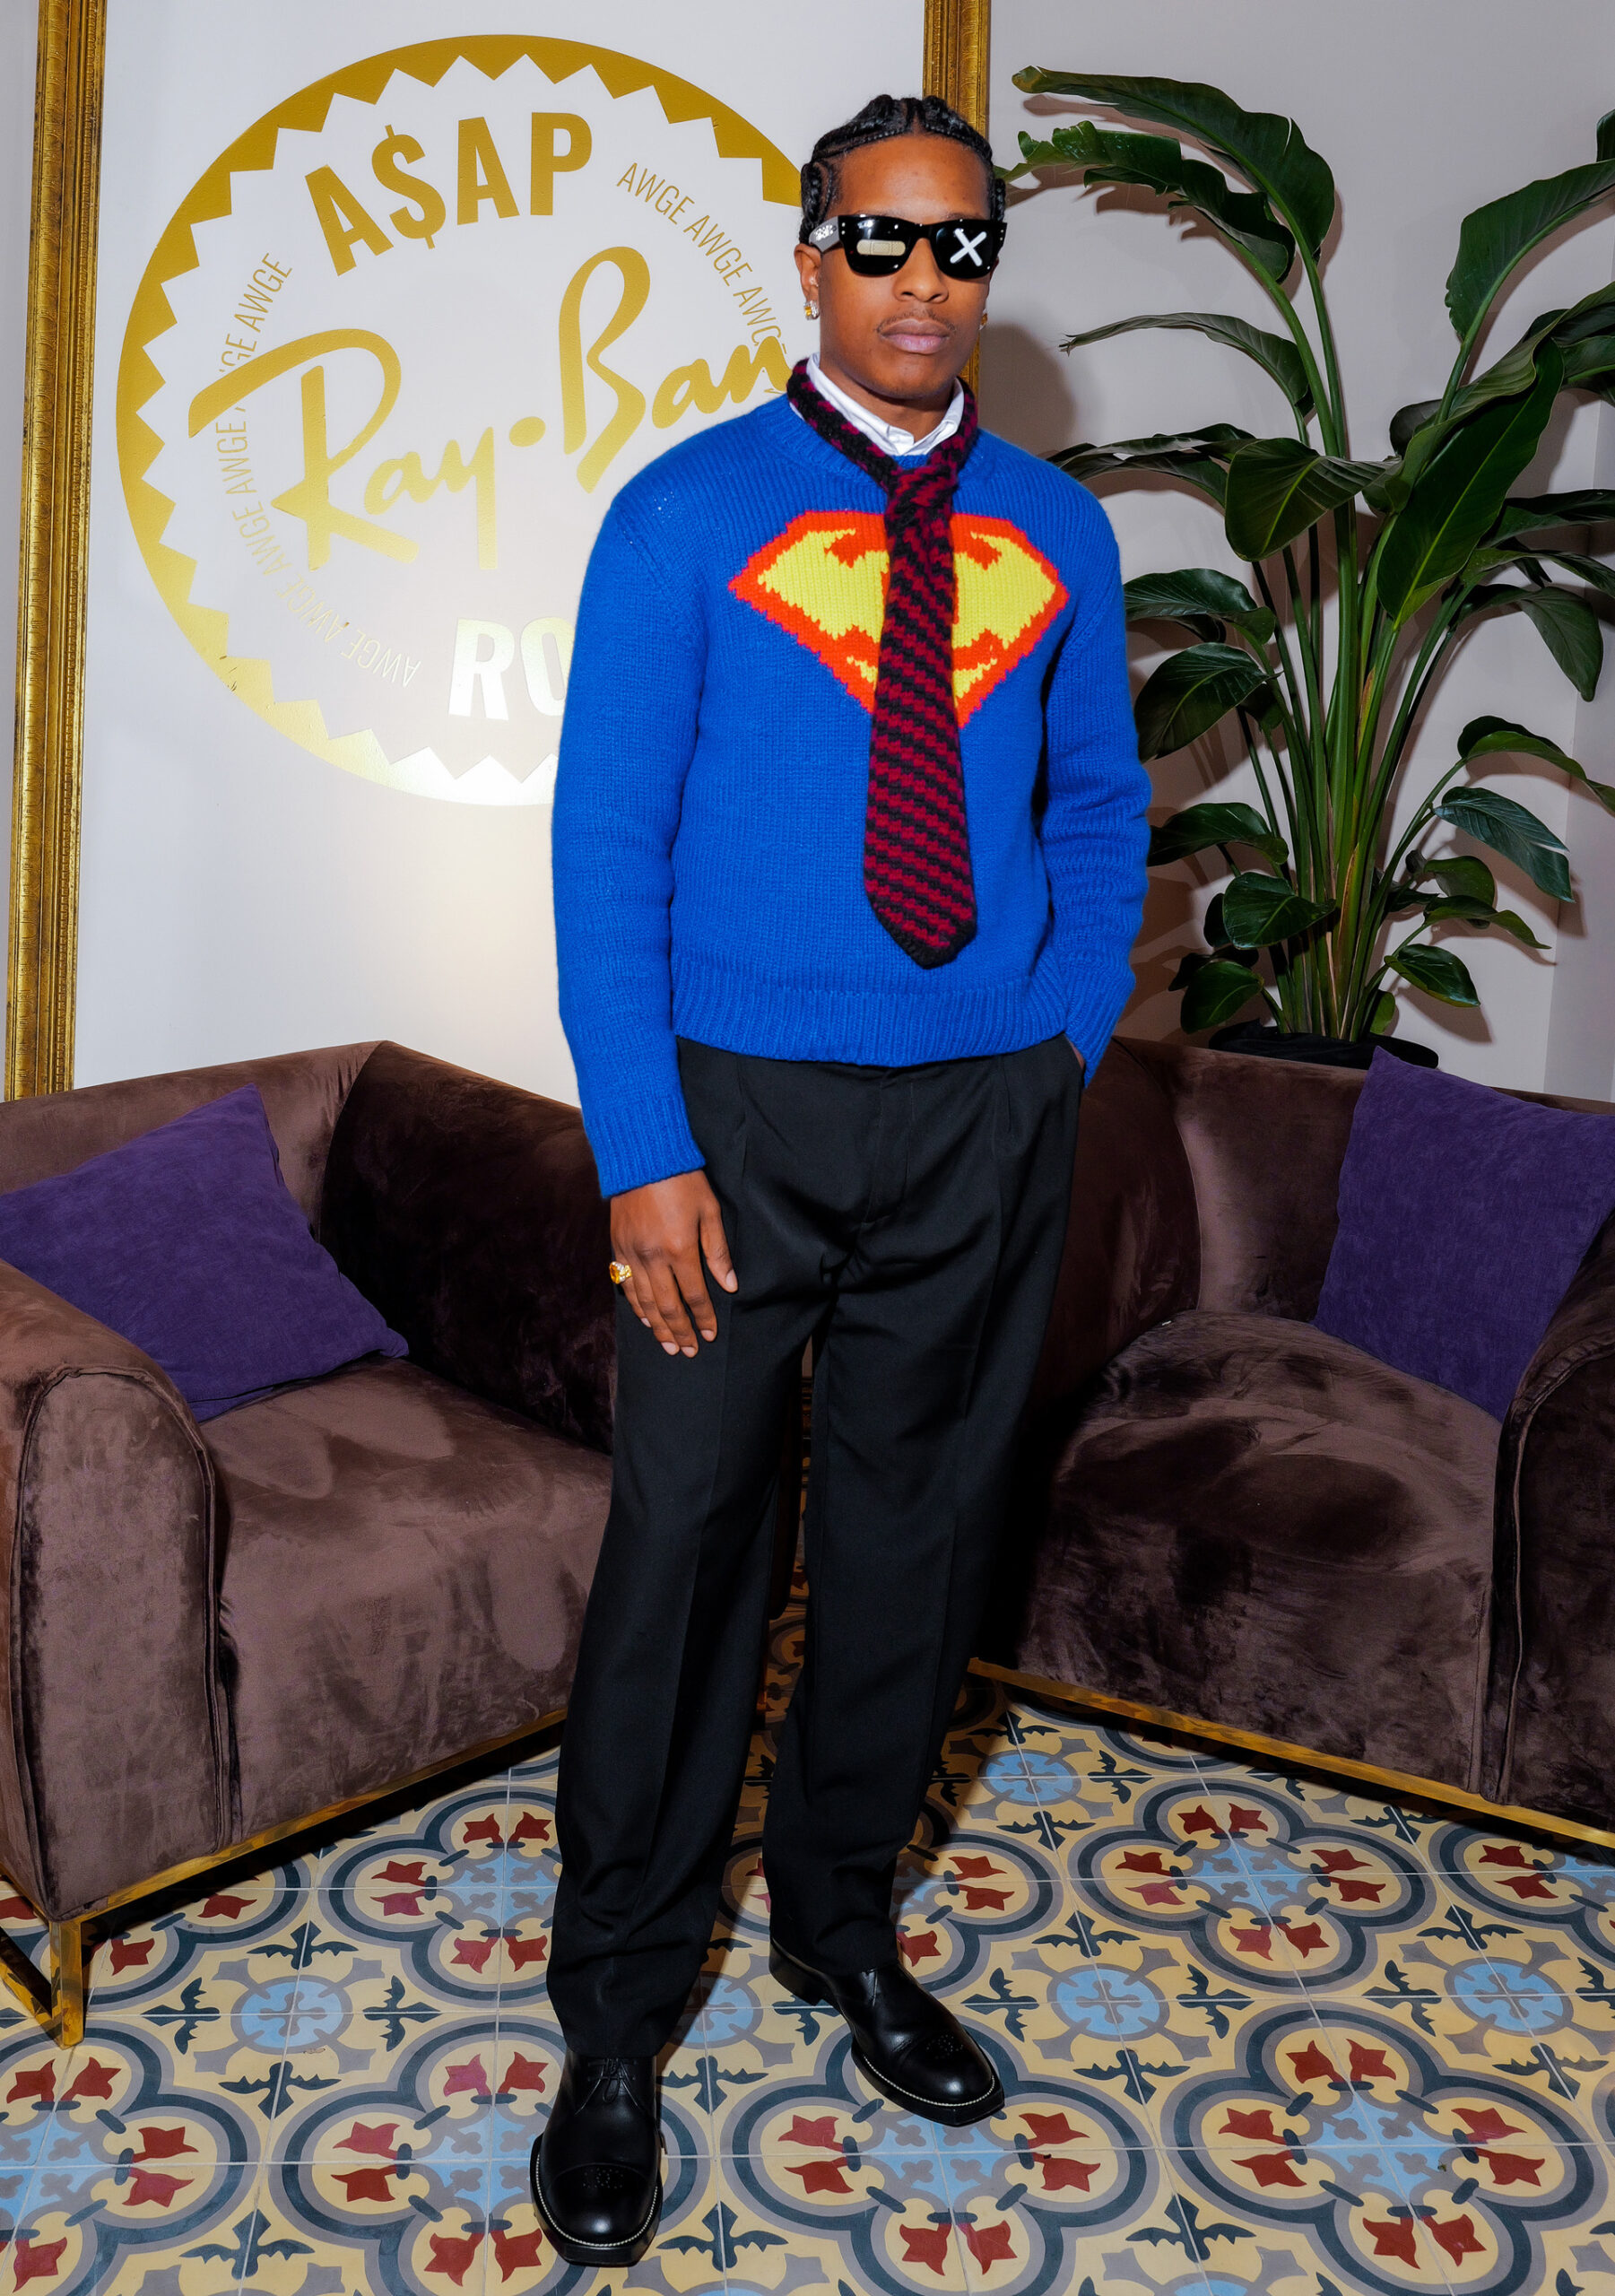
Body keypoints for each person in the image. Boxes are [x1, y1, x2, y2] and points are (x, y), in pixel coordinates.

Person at [537, 91, 1151, 2269]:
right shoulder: (683, 512)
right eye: (879, 240)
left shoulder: (1057, 534)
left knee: (914, 1538)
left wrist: (1059, 1042)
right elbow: (603, 843)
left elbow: (1099, 811)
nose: (921, 281)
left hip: (981, 1111)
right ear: (809, 259)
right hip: (735, 1116)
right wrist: (644, 1151)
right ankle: (616, 2016)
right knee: (685, 1546)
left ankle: (839, 1925)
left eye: (959, 245)